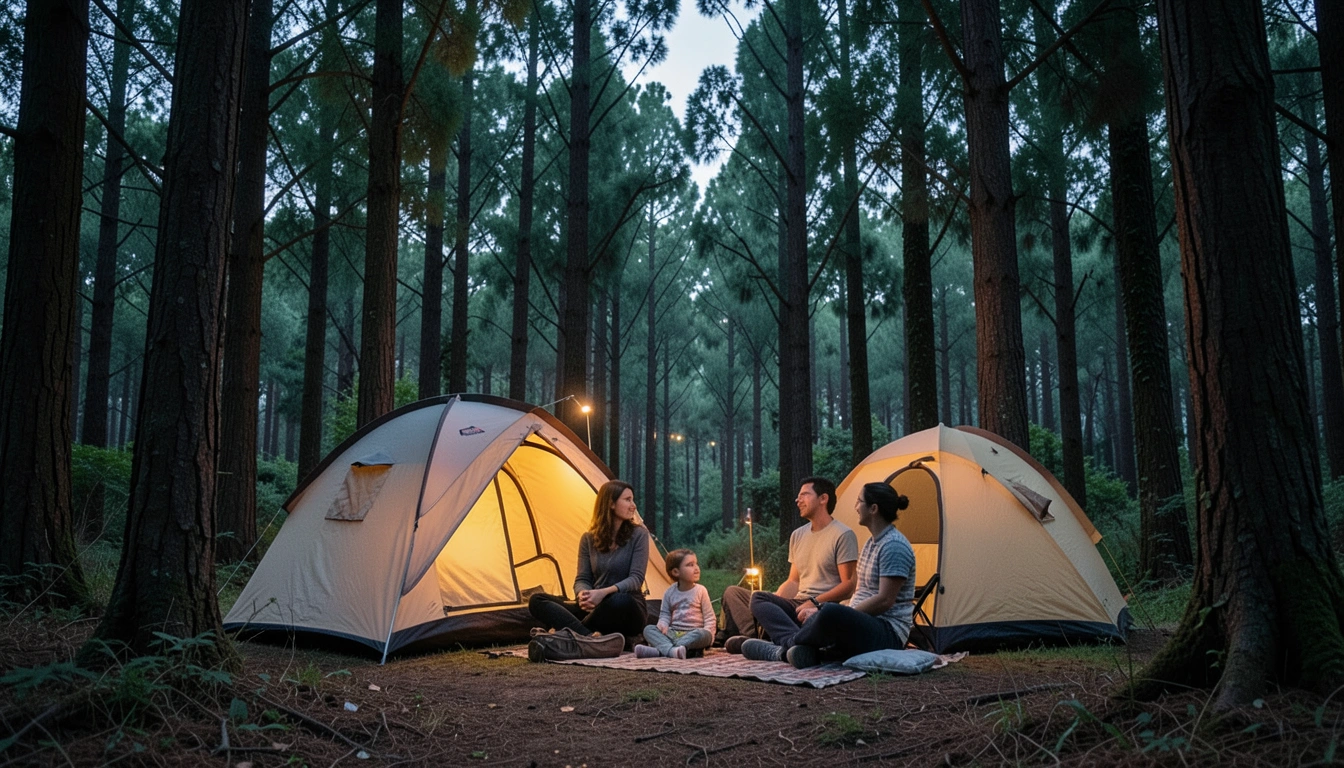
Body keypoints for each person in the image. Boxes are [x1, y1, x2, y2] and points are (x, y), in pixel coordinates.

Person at [742, 482, 915, 668]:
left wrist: (841, 614)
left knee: (830, 611)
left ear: (873, 509)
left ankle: (782, 648)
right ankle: (795, 646)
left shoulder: (893, 546)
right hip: (856, 621)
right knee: (759, 597)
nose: (856, 507)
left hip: (887, 631)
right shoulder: (872, 543)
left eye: (859, 502)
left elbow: (884, 600)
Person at [722, 476, 858, 653]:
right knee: (742, 594)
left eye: (804, 495)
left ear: (823, 499)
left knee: (809, 618)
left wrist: (814, 602)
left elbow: (848, 586)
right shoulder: (798, 535)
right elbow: (793, 581)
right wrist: (776, 600)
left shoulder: (843, 534)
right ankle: (780, 640)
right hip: (796, 603)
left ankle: (782, 641)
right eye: (798, 496)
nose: (797, 500)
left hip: (822, 607)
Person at [528, 480, 650, 638]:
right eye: (627, 500)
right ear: (611, 503)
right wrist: (583, 595)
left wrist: (602, 594)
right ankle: (588, 637)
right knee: (536, 600)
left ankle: (570, 633)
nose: (633, 505)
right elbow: (582, 578)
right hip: (593, 608)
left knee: (620, 600)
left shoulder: (639, 534)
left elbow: (636, 579)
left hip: (625, 608)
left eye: (632, 500)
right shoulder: (588, 539)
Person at [635, 549, 716, 659]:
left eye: (696, 564)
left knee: (703, 634)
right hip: (673, 633)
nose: (696, 568)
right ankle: (674, 650)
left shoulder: (701, 591)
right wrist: (662, 625)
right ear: (676, 572)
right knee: (648, 630)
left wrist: (708, 636)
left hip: (693, 634)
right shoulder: (669, 592)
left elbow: (709, 617)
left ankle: (661, 650)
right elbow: (665, 615)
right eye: (690, 565)